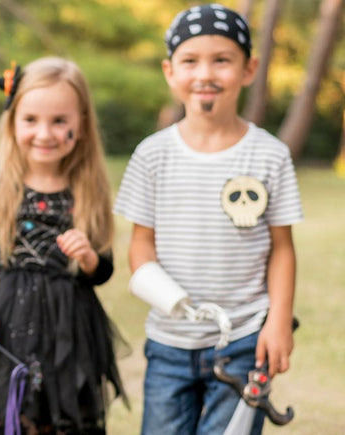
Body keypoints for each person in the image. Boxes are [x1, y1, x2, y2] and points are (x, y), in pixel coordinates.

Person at [114, 4, 303, 434]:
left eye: (222, 60)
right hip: (169, 341)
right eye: (190, 61)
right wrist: (159, 288)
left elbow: (282, 248)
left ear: (249, 69)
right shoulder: (152, 155)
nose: (206, 74)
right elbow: (141, 242)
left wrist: (278, 320)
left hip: (245, 340)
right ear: (169, 71)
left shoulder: (269, 155)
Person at [0, 56, 127, 434]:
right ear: (13, 120)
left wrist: (87, 257)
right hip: (8, 325)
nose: (45, 133)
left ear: (81, 125)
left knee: (64, 418)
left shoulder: (89, 190)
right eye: (31, 120)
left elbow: (103, 270)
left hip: (70, 331)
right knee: (12, 417)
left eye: (59, 121)